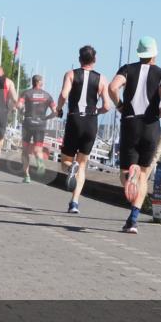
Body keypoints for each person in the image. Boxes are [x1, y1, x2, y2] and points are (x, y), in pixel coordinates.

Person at [107, 36, 161, 234]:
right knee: (144, 173)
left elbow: (112, 87)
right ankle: (133, 220)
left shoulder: (127, 69)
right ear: (155, 53)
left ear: (139, 53)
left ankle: (130, 179)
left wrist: (120, 105)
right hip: (151, 126)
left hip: (130, 123)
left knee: (125, 173)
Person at [56, 45, 110, 214]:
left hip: (74, 119)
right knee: (83, 164)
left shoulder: (71, 74)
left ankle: (70, 167)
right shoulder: (101, 79)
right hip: (90, 122)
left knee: (66, 161)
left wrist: (59, 108)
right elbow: (107, 106)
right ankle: (74, 202)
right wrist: (97, 112)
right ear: (94, 60)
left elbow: (64, 95)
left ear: (79, 59)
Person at [16, 75, 56, 183]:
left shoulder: (26, 93)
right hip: (40, 124)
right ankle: (40, 164)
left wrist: (21, 112)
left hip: (28, 122)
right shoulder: (47, 95)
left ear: (33, 82)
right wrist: (47, 117)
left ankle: (27, 176)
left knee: (25, 151)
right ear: (40, 82)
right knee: (38, 150)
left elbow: (19, 105)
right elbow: (55, 111)